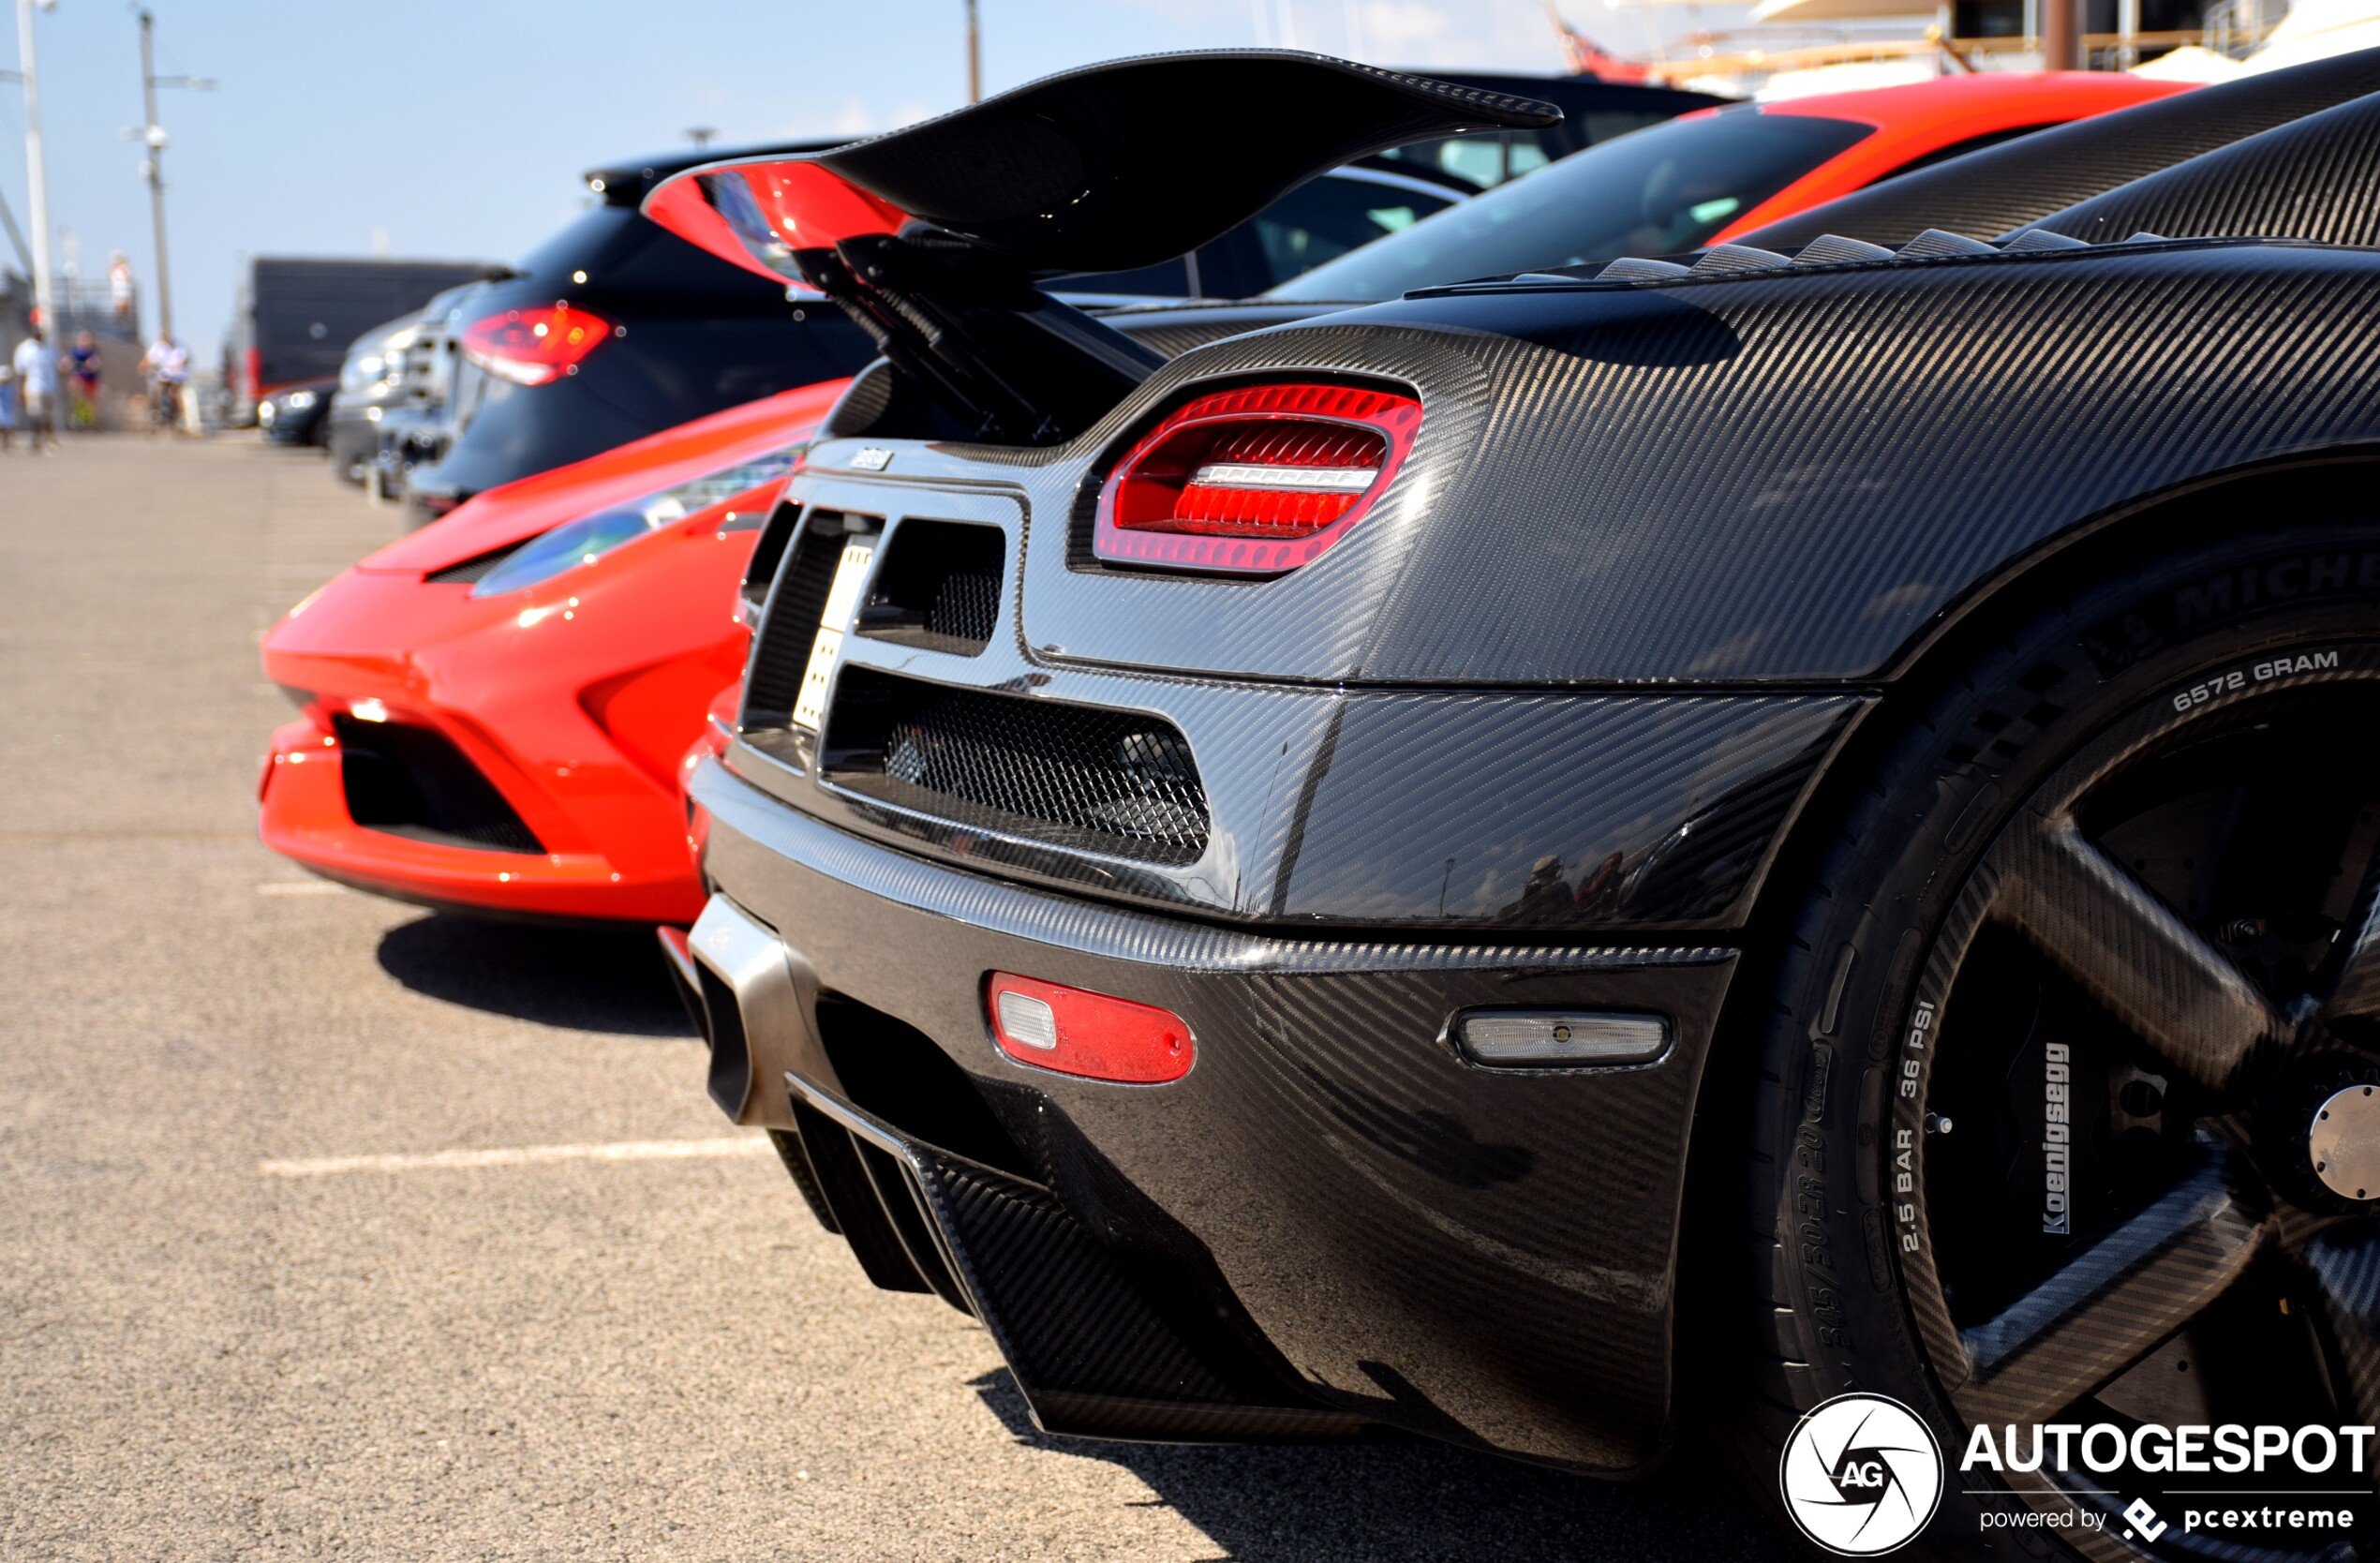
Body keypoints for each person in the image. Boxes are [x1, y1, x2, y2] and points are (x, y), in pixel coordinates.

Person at [12, 324, 60, 453]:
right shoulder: (25, 349)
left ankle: (49, 439)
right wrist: (20, 390)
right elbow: (21, 371)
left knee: (48, 416)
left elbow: (56, 367)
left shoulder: (51, 347)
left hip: (50, 387)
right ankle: (37, 438)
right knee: (37, 414)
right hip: (33, 387)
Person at [142, 331, 189, 436]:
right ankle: (156, 416)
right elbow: (150, 360)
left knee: (176, 395)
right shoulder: (158, 348)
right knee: (155, 395)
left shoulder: (176, 349)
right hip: (163, 378)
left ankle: (179, 417)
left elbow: (180, 364)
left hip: (175, 379)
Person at [67, 330, 101, 431]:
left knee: (91, 402)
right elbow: (68, 361)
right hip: (79, 378)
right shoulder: (75, 351)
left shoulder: (93, 351)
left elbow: (95, 363)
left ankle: (93, 422)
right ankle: (77, 418)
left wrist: (90, 364)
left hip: (90, 380)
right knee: (76, 387)